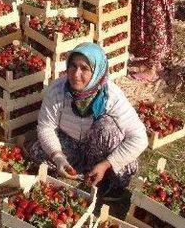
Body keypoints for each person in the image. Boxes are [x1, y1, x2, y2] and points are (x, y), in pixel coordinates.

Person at [28, 42, 148, 201]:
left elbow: (140, 138)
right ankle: (78, 171)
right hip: (71, 144)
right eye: (73, 66)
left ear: (97, 71)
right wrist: (58, 156)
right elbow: (46, 127)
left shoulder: (111, 96)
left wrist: (106, 164)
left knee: (107, 127)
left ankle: (107, 178)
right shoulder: (58, 89)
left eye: (84, 68)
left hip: (99, 150)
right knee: (37, 151)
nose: (76, 74)